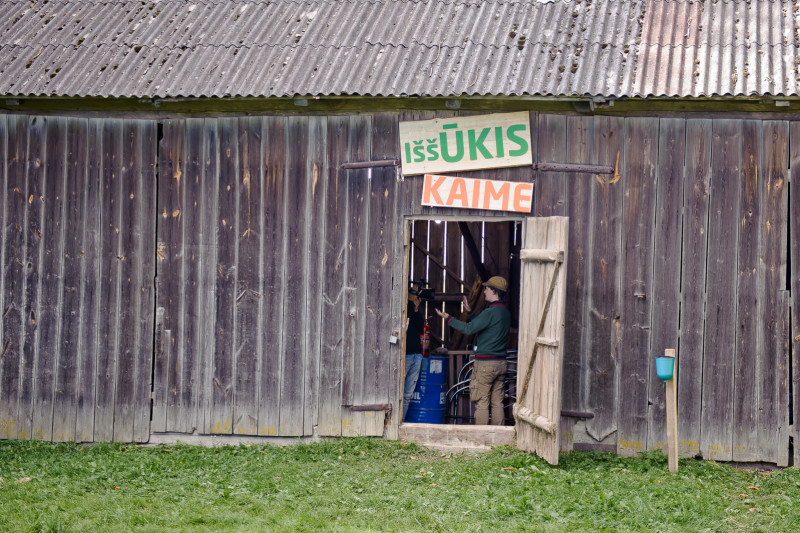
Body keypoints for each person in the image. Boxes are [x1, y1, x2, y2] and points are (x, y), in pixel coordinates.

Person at [436, 276, 510, 426]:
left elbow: (469, 328)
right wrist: (470, 311)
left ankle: (482, 438)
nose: (484, 291)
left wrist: (449, 318)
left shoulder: (490, 312)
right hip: (501, 363)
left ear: (494, 291)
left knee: (482, 402)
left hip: (486, 366)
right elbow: (485, 324)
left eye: (487, 288)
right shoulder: (504, 313)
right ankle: (499, 440)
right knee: (497, 403)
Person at [403, 293, 425, 421]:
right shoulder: (399, 306)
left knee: (408, 394)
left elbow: (420, 327)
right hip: (404, 356)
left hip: (416, 355)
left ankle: (402, 421)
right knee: (398, 392)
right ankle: (395, 423)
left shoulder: (412, 308)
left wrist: (416, 309)